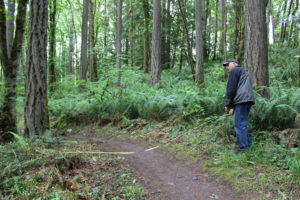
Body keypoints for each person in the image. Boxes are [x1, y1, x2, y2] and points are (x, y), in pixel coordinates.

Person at [223, 59, 255, 155]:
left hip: (242, 100)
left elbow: (231, 88)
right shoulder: (243, 72)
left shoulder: (235, 70)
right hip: (247, 100)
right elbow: (239, 88)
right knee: (242, 124)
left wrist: (227, 104)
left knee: (239, 125)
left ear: (234, 63)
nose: (227, 68)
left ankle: (243, 148)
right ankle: (248, 146)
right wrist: (233, 106)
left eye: (228, 65)